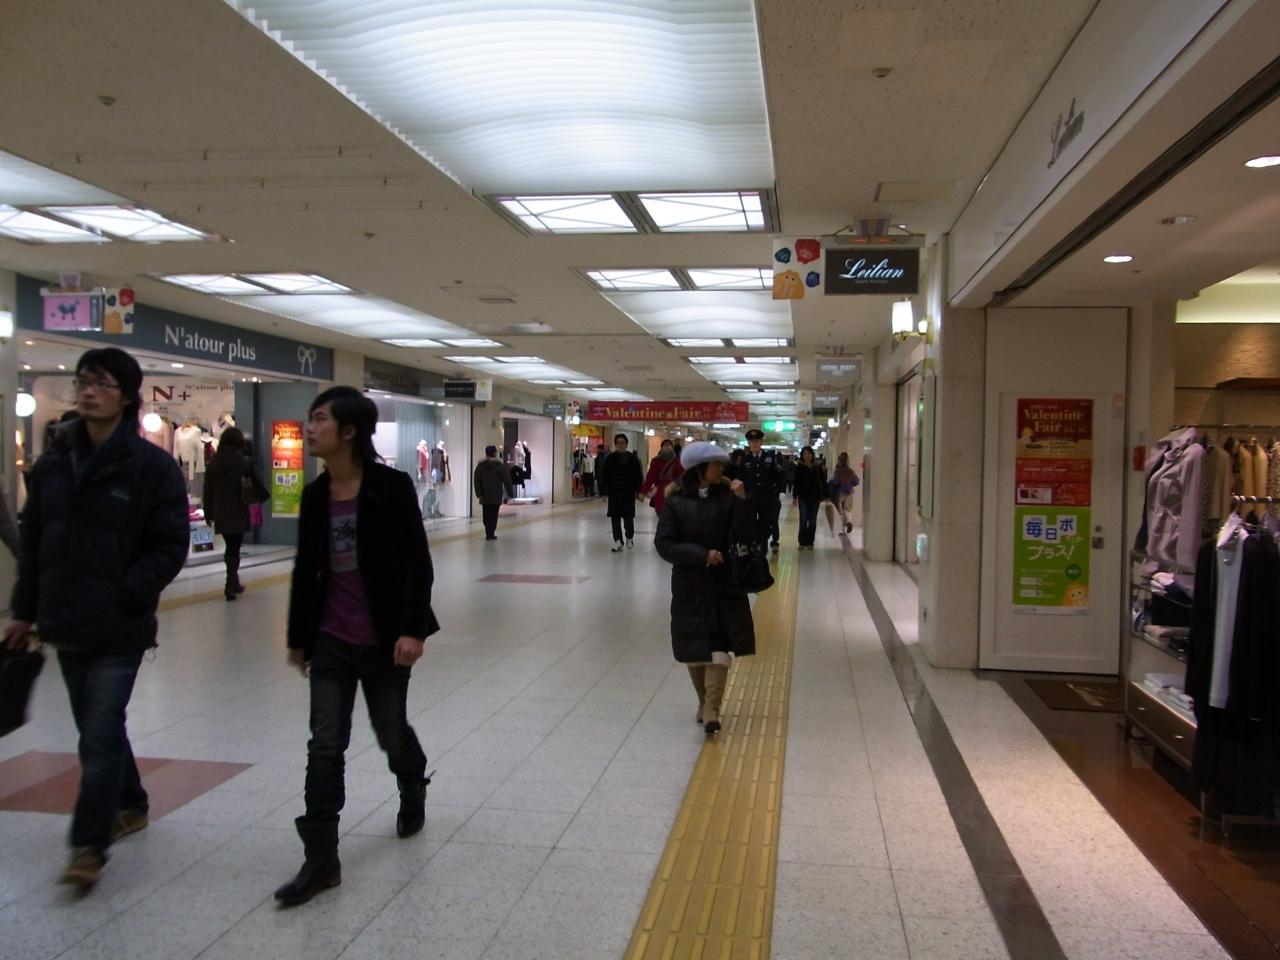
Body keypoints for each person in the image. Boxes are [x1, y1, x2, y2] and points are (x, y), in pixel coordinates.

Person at [5, 347, 188, 886]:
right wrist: (24, 611)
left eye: (101, 384)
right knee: (95, 725)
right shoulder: (54, 464)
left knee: (99, 728)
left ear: (126, 396)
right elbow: (35, 544)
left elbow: (169, 544)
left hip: (120, 624)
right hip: (66, 621)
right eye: (83, 382)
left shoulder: (150, 467)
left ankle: (88, 844)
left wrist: (128, 590)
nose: (87, 392)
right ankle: (131, 802)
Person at [277, 386, 439, 907]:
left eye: (320, 418)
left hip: (384, 639)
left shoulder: (390, 488)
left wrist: (412, 630)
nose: (310, 427)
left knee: (391, 732)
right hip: (330, 640)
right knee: (325, 744)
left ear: (349, 431)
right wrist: (299, 637)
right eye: (311, 417)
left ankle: (412, 783)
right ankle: (321, 858)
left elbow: (417, 563)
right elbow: (306, 569)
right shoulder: (315, 495)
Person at [655, 442, 755, 736]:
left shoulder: (728, 496)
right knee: (694, 649)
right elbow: (664, 544)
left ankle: (712, 708)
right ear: (699, 468)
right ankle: (703, 701)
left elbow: (746, 535)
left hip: (724, 583)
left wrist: (742, 501)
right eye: (715, 465)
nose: (720, 470)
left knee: (719, 647)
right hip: (690, 585)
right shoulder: (675, 501)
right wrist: (701, 555)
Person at [203, 427, 265, 600]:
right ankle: (230, 583)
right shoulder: (244, 462)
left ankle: (233, 581)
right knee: (234, 547)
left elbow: (208, 490)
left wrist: (208, 512)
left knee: (230, 546)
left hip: (221, 510)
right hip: (239, 508)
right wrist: (261, 498)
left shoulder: (214, 462)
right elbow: (257, 483)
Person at [740, 428, 785, 552]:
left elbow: (780, 475)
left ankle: (763, 544)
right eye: (752, 442)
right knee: (751, 521)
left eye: (756, 441)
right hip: (751, 498)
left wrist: (781, 491)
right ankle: (752, 543)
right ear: (749, 444)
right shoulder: (746, 460)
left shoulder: (769, 458)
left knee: (766, 522)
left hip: (767, 498)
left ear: (761, 443)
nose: (754, 444)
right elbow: (741, 478)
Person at [599, 433, 643, 552]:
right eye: (618, 443)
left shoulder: (633, 459)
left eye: (623, 443)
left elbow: (638, 476)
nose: (621, 445)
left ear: (627, 444)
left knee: (628, 518)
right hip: (614, 493)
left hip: (628, 493)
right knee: (615, 518)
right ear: (615, 444)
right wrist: (603, 492)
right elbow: (604, 476)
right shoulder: (609, 459)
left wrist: (640, 491)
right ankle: (618, 541)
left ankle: (629, 537)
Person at [473, 444, 515, 540]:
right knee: (493, 514)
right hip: (496, 494)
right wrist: (510, 493)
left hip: (484, 495)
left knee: (486, 514)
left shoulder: (480, 466)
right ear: (495, 453)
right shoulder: (499, 466)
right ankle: (490, 533)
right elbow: (507, 480)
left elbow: (476, 480)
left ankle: (489, 532)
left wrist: (479, 493)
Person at [792, 446, 827, 550]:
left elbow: (822, 481)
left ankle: (810, 542)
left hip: (815, 497)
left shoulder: (817, 467)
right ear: (802, 455)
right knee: (803, 520)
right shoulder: (799, 467)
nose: (807, 455)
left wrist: (824, 494)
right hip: (803, 497)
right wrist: (794, 496)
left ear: (812, 455)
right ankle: (802, 542)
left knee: (812, 521)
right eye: (805, 454)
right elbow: (796, 482)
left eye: (809, 453)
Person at [639, 438, 684, 516]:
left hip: (673, 491)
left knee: (673, 515)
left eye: (669, 445)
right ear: (661, 448)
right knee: (662, 514)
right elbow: (650, 478)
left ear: (672, 447)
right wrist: (643, 491)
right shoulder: (656, 462)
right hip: (660, 492)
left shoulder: (677, 462)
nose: (667, 447)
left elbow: (682, 477)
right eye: (665, 445)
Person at [831, 452, 861, 533]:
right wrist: (850, 484)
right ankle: (849, 522)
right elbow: (857, 481)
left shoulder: (838, 471)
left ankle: (841, 528)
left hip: (840, 492)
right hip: (849, 492)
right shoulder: (850, 471)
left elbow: (835, 481)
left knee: (840, 510)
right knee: (847, 509)